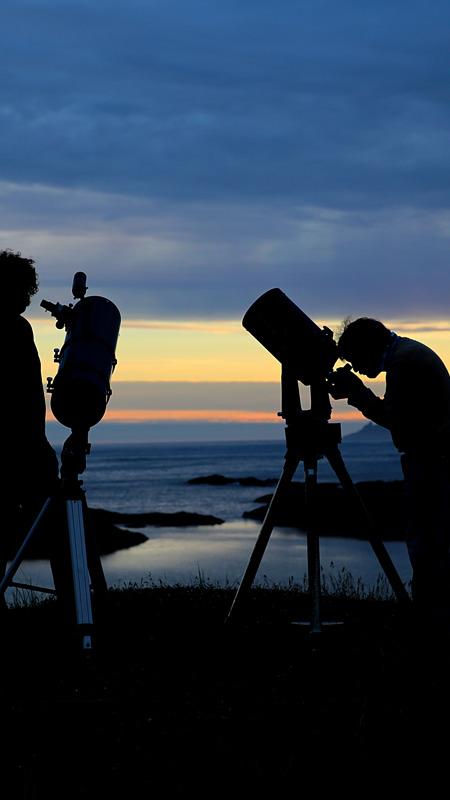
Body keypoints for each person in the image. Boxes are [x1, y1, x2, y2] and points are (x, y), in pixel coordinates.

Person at [327, 317, 450, 631]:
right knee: (433, 540)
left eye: (354, 359)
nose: (354, 367)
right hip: (434, 457)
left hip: (430, 461)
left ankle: (430, 617)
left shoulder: (404, 363)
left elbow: (396, 418)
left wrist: (358, 394)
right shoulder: (408, 354)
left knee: (424, 542)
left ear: (369, 348)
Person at [1, 249, 59, 600]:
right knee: (58, 531)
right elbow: (19, 395)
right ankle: (75, 606)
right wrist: (37, 446)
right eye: (24, 289)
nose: (28, 298)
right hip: (25, 450)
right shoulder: (15, 328)